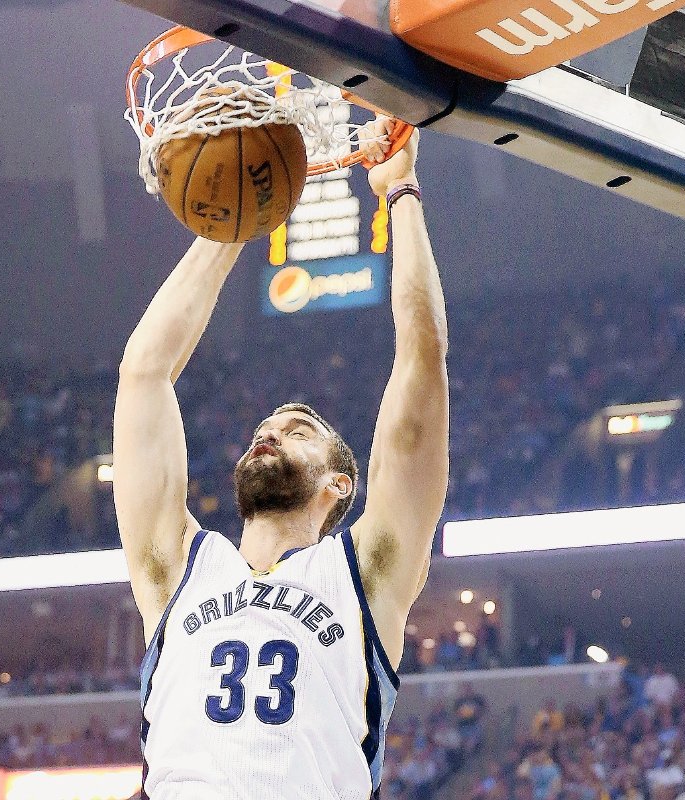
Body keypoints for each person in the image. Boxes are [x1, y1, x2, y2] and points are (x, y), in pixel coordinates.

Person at [114, 118, 448, 800]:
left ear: (338, 484)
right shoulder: (176, 565)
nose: (271, 429)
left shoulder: (366, 572)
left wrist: (403, 193)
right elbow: (144, 373)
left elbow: (422, 369)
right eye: (267, 425)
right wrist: (235, 223)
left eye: (297, 429)